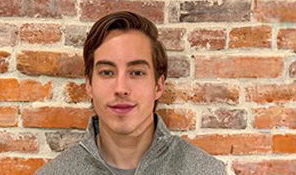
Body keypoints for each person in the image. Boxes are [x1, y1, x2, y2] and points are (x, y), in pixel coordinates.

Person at [35, 11, 226, 175]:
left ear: (158, 86)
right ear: (89, 85)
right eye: (107, 73)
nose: (121, 89)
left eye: (136, 73)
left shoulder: (205, 171)